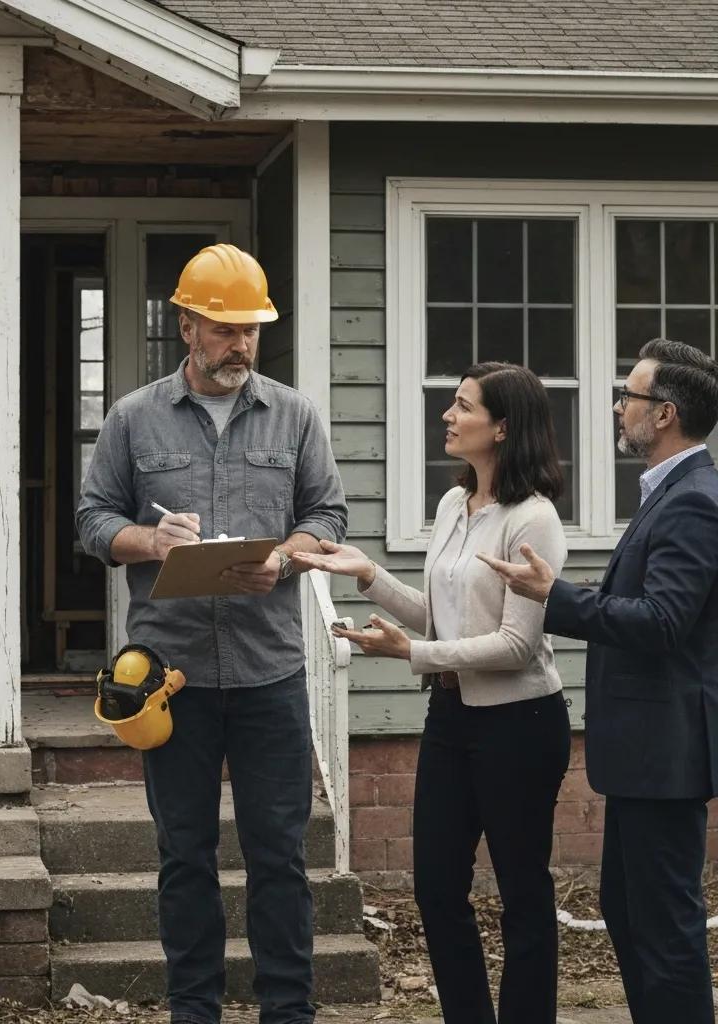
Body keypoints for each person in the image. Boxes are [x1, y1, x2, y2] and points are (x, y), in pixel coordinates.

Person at [76, 243, 348, 1024]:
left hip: (271, 674)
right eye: (226, 329)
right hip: (173, 677)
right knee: (184, 857)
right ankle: (193, 1009)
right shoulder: (133, 418)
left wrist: (289, 561)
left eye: (252, 330)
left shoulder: (294, 415)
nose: (241, 345)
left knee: (280, 859)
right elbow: (94, 519)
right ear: (186, 325)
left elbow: (326, 515)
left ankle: (286, 1011)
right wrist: (150, 544)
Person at [294, 362, 571, 1024]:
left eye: (463, 406)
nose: (447, 415)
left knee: (522, 893)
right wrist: (369, 575)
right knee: (437, 889)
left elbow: (517, 646)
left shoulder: (534, 520)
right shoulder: (453, 505)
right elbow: (442, 616)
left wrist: (410, 653)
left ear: (502, 427)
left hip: (522, 724)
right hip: (450, 719)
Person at [480, 339, 718, 1024]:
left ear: (665, 413)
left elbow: (664, 621)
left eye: (630, 397)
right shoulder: (668, 493)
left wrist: (556, 595)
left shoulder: (693, 500)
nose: (619, 407)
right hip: (646, 754)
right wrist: (567, 593)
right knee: (629, 910)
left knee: (665, 925)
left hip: (665, 753)